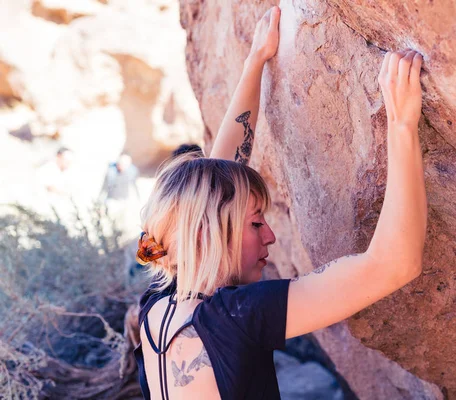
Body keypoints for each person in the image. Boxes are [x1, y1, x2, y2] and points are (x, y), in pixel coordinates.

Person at [134, 5, 427, 400]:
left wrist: (255, 62)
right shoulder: (237, 317)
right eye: (256, 223)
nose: (271, 236)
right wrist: (402, 124)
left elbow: (218, 178)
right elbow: (393, 265)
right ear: (205, 234)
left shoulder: (157, 308)